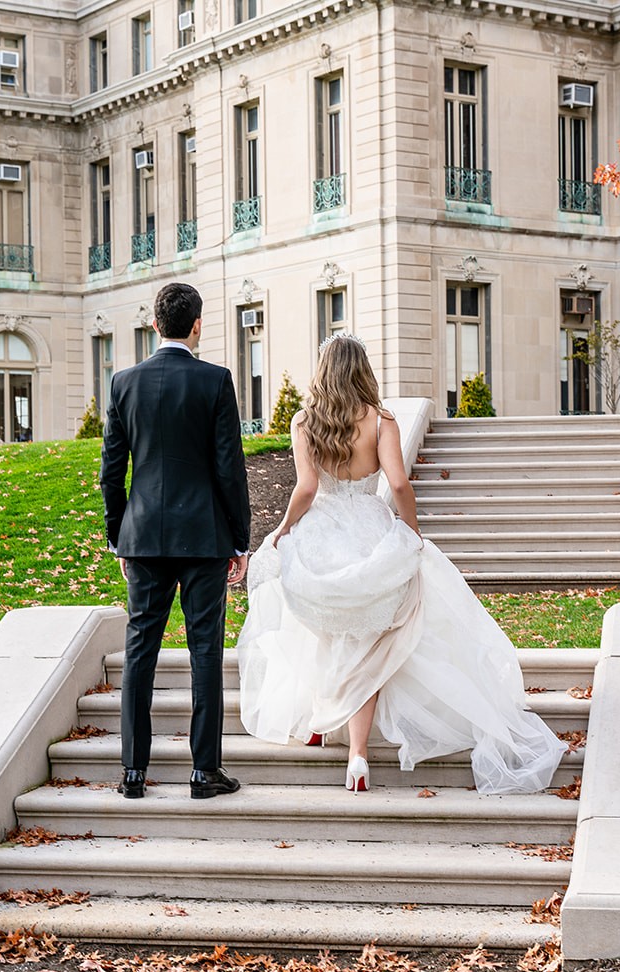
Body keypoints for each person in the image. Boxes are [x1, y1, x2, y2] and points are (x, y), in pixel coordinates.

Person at [236, 334, 567, 794]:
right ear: (362, 369)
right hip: (370, 534)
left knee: (324, 633)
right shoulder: (380, 420)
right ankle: (356, 754)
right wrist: (410, 532)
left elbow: (307, 488)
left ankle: (319, 721)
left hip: (322, 536)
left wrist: (284, 529)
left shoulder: (304, 421)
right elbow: (398, 484)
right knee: (367, 645)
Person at [100, 282, 251, 800]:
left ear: (155, 324)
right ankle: (204, 772)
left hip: (143, 536)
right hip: (204, 536)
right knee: (204, 650)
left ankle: (133, 773)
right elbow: (230, 467)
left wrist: (118, 536)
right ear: (197, 325)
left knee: (139, 650)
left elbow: (111, 472)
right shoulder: (215, 381)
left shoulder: (123, 383)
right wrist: (240, 538)